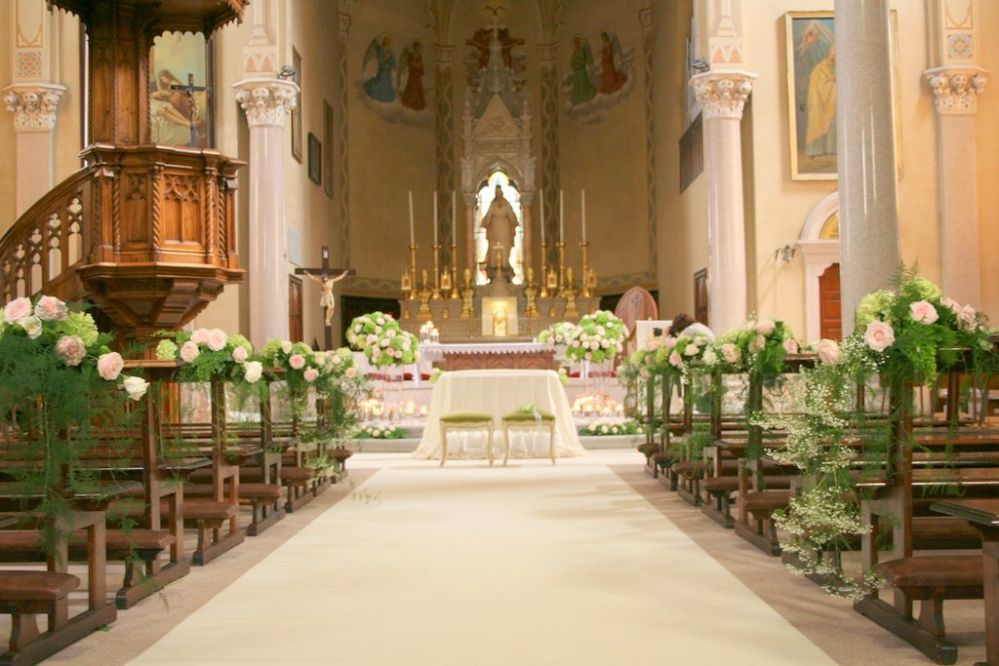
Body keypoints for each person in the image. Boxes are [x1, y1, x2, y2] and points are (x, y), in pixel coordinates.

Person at [480, 185, 519, 273]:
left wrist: (514, 221)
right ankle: (494, 266)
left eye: (499, 191)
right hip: (494, 230)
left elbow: (511, 214)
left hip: (505, 229)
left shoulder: (506, 203)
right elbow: (489, 215)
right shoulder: (493, 203)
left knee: (505, 247)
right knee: (494, 248)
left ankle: (505, 265)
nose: (498, 193)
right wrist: (485, 222)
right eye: (496, 191)